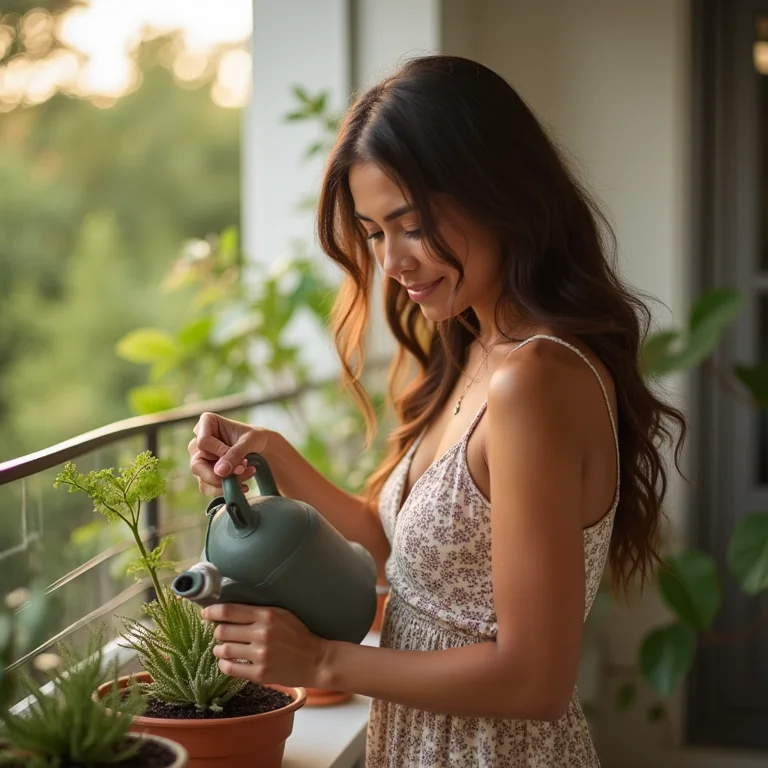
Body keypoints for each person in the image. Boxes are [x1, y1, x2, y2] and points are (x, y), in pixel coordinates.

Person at [188, 55, 685, 768]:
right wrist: (271, 454)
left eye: (411, 224)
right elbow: (408, 554)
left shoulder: (535, 380)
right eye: (372, 233)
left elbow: (534, 680)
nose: (391, 262)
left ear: (501, 193)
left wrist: (323, 662)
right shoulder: (479, 349)